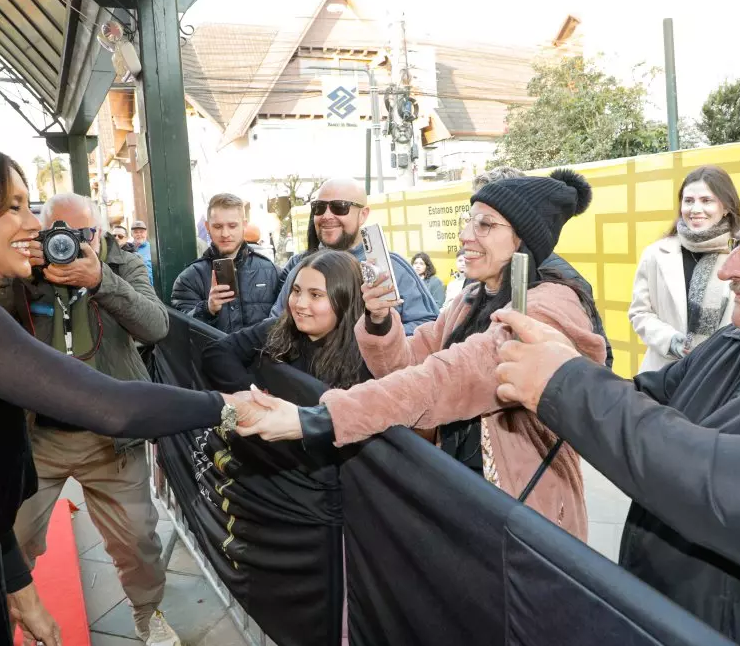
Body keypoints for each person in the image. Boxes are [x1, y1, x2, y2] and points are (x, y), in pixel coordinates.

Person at [492, 171, 740, 646]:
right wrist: (561, 365)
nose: (728, 270)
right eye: (737, 245)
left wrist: (567, 385)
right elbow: (648, 402)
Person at [0, 143, 236, 646]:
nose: (38, 229)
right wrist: (231, 405)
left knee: (137, 544)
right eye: (16, 207)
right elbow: (115, 406)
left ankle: (147, 615)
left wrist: (20, 589)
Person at [234, 173, 607, 536]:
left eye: (485, 225)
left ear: (523, 239)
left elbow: (446, 378)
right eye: (468, 222)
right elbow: (407, 363)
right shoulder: (469, 299)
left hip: (524, 510)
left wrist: (317, 418)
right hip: (460, 493)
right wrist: (380, 321)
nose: (465, 236)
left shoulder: (549, 304)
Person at [0, 194, 180, 646]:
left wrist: (102, 281)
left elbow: (156, 326)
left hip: (110, 436)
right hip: (40, 436)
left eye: (81, 235)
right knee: (13, 537)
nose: (68, 246)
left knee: (138, 541)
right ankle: (9, 618)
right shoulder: (24, 270)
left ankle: (146, 612)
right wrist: (15, 271)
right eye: (56, 234)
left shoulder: (121, 263)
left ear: (99, 231)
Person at [474, 166, 613, 368]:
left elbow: (597, 359)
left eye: (486, 223)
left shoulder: (561, 282)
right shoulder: (479, 280)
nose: (470, 234)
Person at [270, 178, 437, 335]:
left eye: (340, 207)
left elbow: (428, 327)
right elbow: (275, 324)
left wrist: (376, 333)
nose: (327, 216)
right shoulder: (300, 267)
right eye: (319, 207)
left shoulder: (393, 268)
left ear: (363, 215)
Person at [201, 249, 370, 393]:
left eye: (315, 295)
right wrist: (254, 393)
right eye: (296, 291)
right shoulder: (277, 328)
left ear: (346, 300)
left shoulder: (367, 358)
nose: (300, 304)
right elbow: (217, 352)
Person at [628, 166, 740, 373]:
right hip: (665, 373)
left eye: (707, 200)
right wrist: (672, 342)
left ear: (726, 207)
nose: (695, 209)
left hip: (725, 374)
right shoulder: (656, 254)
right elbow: (640, 313)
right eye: (688, 201)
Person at [171, 193, 279, 333]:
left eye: (232, 225)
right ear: (207, 227)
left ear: (244, 225)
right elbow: (180, 332)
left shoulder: (271, 271)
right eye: (217, 226)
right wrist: (207, 309)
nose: (225, 234)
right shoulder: (189, 279)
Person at [130, 219, 154, 285]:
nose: (139, 234)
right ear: (131, 234)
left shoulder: (153, 248)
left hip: (152, 288)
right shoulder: (128, 249)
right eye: (136, 232)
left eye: (141, 232)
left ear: (146, 233)